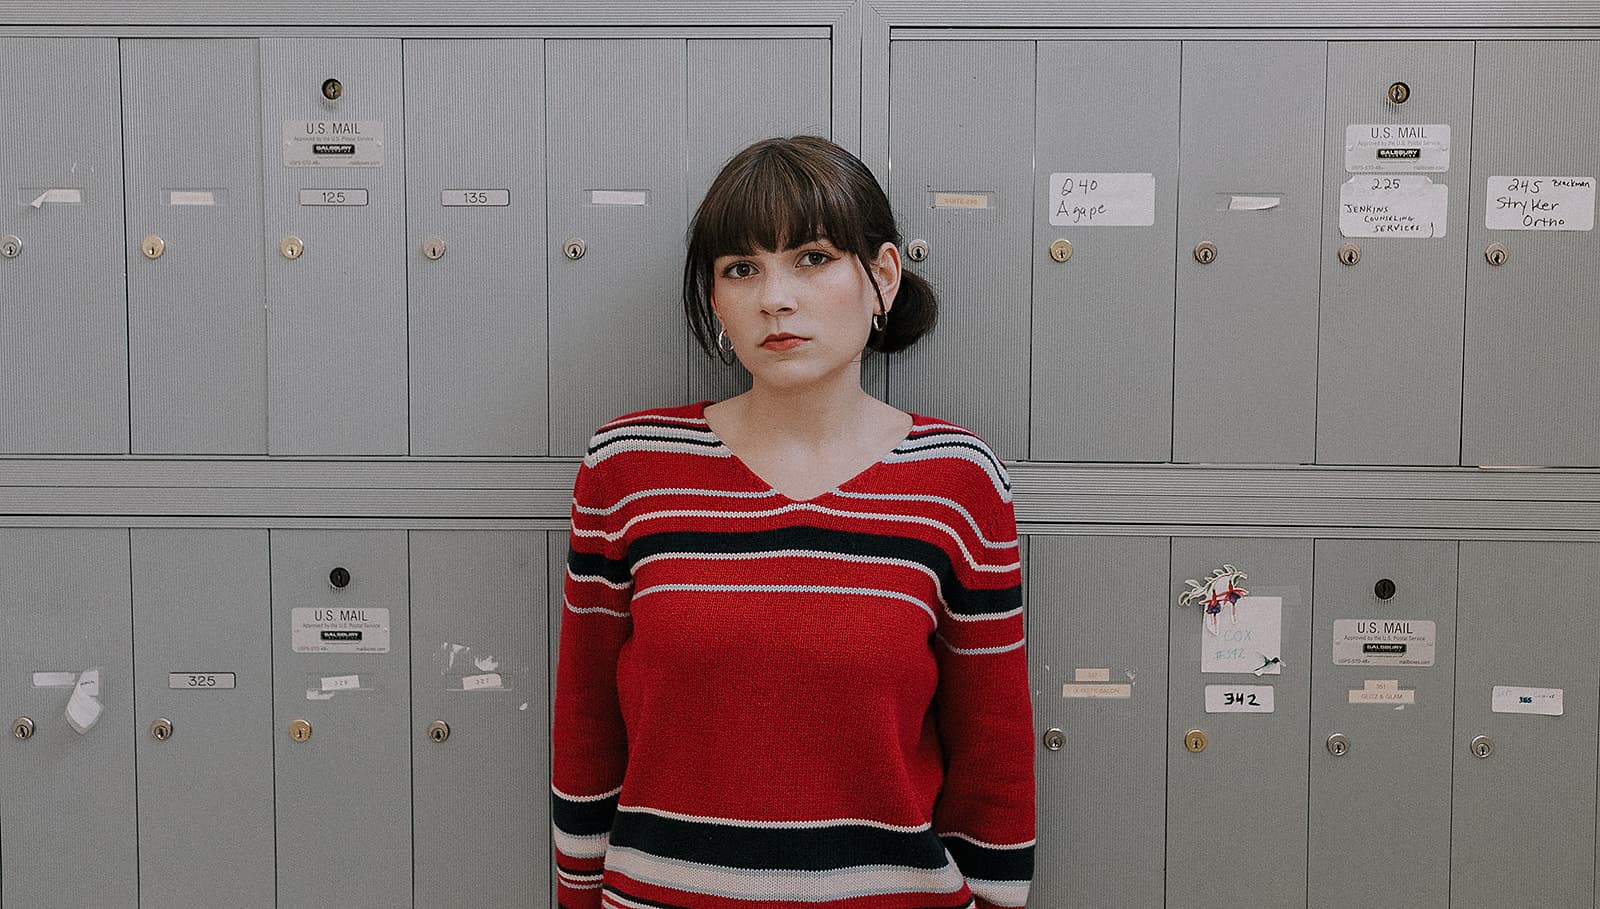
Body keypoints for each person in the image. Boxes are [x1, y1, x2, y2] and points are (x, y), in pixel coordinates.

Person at [551, 135, 1035, 909]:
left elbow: (995, 750)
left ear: (881, 276)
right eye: (741, 269)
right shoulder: (627, 465)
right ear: (716, 301)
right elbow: (586, 727)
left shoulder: (957, 476)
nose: (775, 296)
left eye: (811, 257)